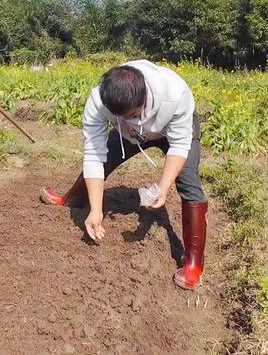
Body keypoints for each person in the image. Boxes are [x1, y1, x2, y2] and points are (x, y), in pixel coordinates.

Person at [39, 60, 208, 289]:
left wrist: (163, 187)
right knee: (104, 159)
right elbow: (93, 154)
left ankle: (194, 264)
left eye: (134, 114)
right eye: (122, 117)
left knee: (189, 184)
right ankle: (74, 199)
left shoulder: (175, 94)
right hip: (129, 137)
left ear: (144, 98)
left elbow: (179, 146)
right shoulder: (99, 101)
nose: (131, 120)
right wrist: (97, 211)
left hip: (173, 132)